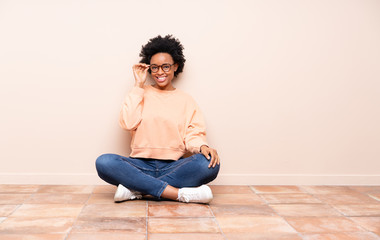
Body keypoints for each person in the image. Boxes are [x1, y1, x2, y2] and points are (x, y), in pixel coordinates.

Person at [96, 35, 220, 204]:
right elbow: (127, 123)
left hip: (174, 166)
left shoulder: (186, 100)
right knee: (104, 162)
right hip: (139, 165)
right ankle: (178, 194)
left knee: (207, 164)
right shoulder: (140, 92)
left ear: (175, 66)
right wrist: (138, 85)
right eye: (154, 67)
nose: (160, 72)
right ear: (149, 69)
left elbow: (193, 134)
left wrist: (202, 146)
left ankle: (138, 190)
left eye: (165, 66)